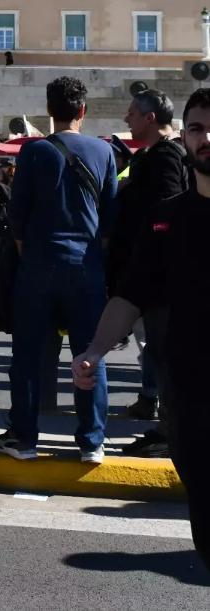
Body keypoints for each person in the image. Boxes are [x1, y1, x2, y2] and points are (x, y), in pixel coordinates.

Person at [72, 87, 210, 570]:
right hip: (188, 394)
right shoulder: (167, 221)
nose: (206, 137)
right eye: (197, 128)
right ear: (187, 136)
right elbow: (131, 296)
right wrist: (94, 350)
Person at [0, 77, 117, 463]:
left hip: (41, 263)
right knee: (89, 354)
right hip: (88, 265)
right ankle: (92, 441)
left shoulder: (35, 152)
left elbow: (18, 214)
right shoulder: (105, 151)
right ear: (83, 110)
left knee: (28, 354)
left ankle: (25, 437)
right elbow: (111, 219)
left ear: (49, 110)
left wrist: (29, 252)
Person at [111, 90, 188, 455]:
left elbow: (167, 211)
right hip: (154, 270)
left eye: (132, 114)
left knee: (163, 350)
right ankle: (160, 415)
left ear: (150, 118)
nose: (127, 119)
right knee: (156, 349)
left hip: (160, 274)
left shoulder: (167, 157)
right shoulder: (155, 155)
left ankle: (169, 430)